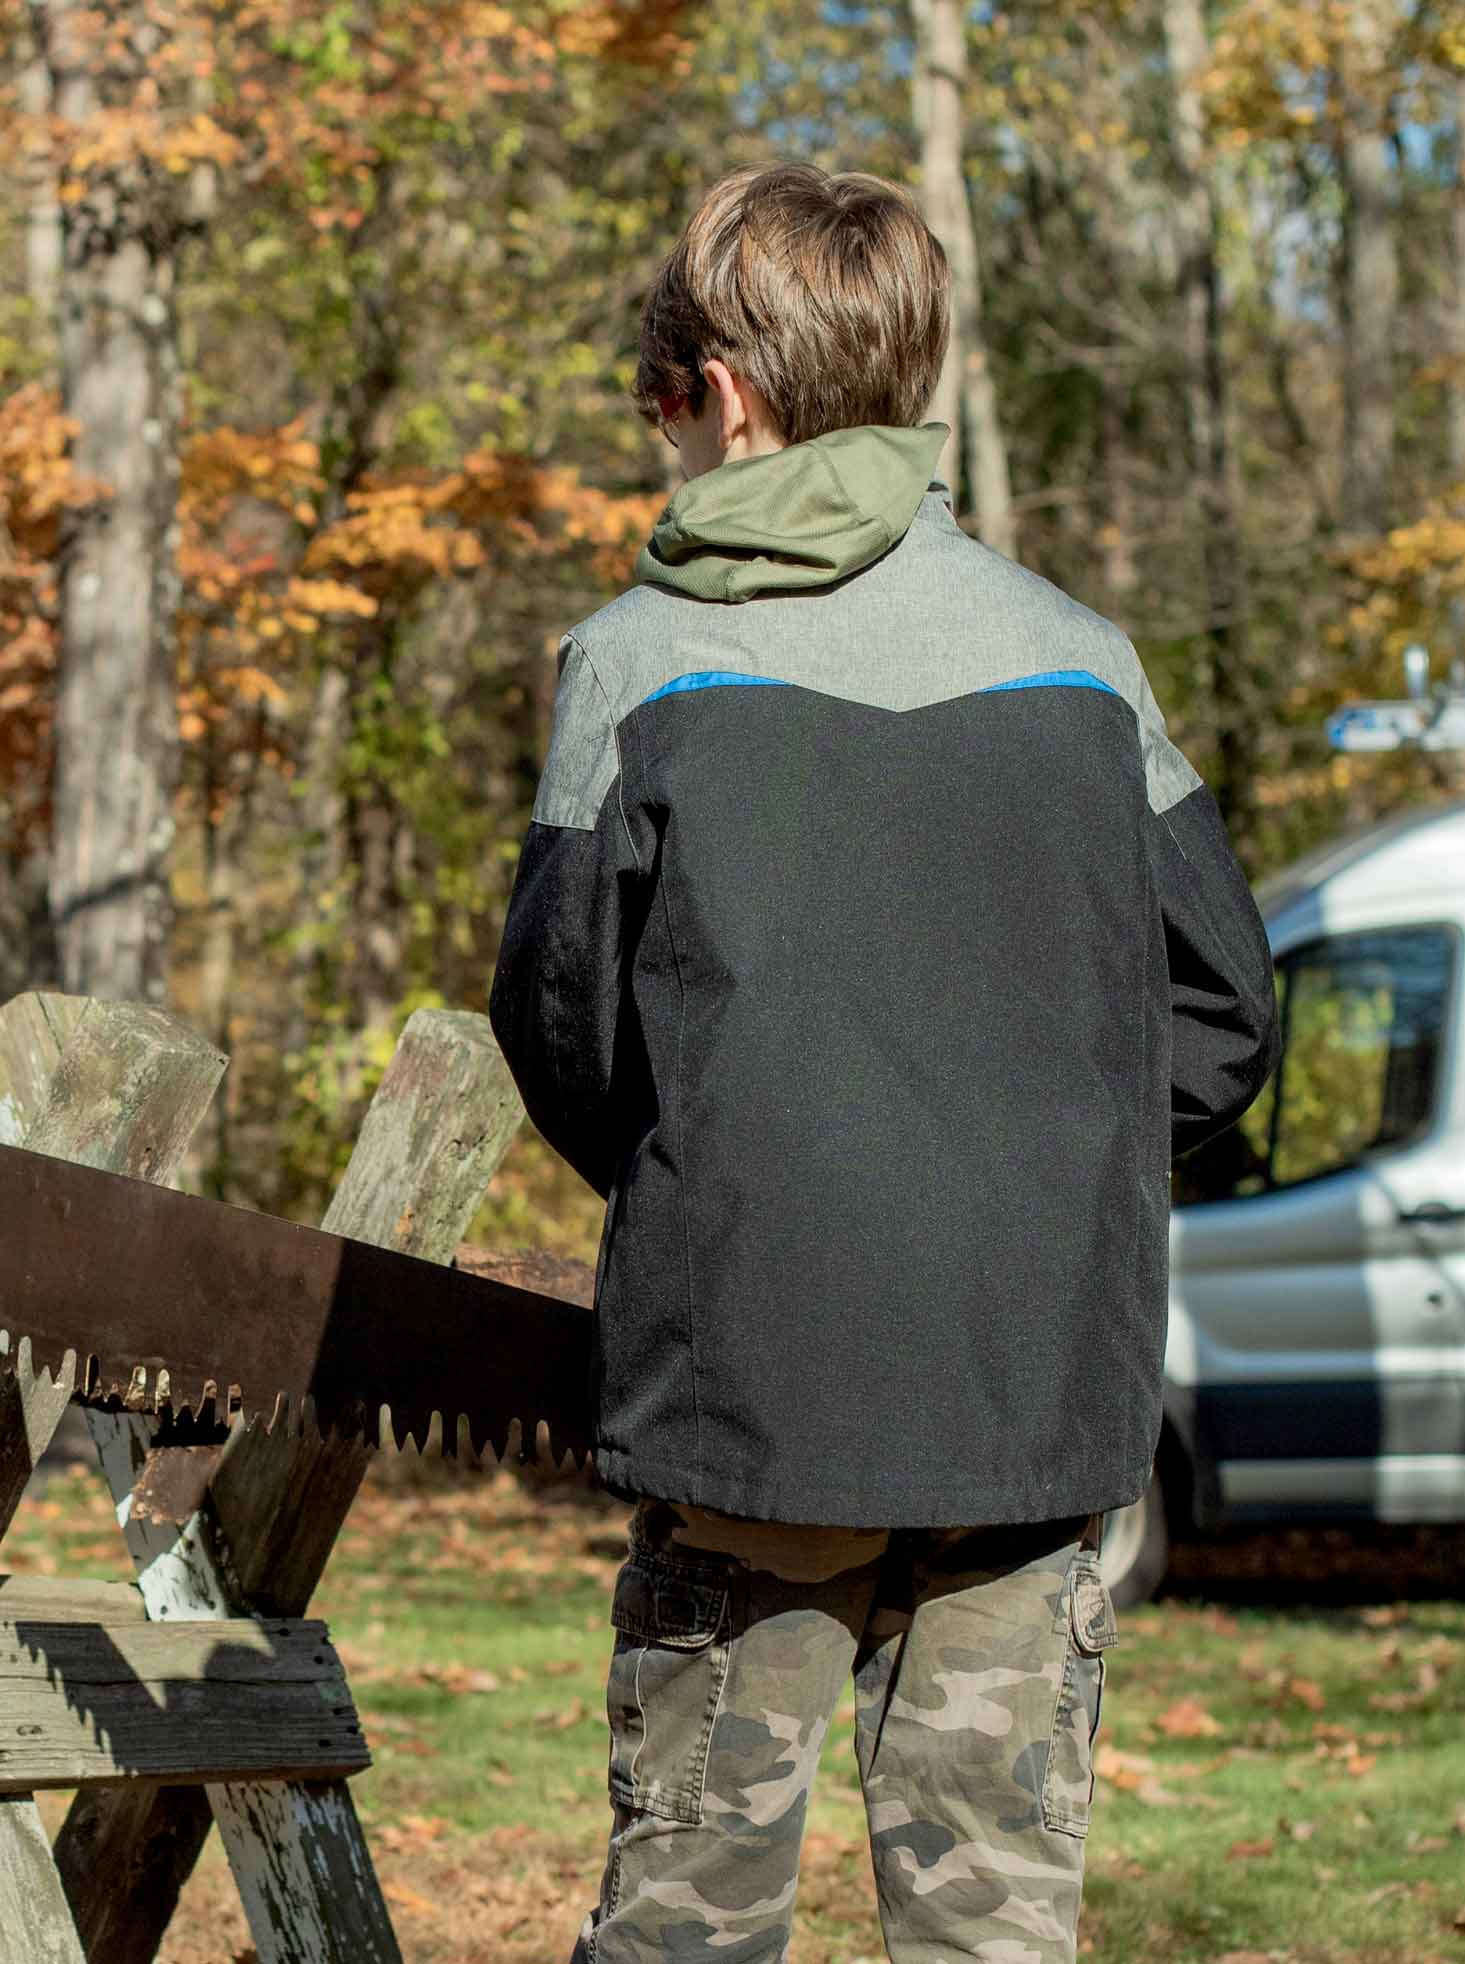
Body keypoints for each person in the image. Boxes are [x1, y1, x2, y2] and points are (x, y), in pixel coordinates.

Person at [489, 163, 1276, 1964]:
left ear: (729, 393)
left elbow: (562, 1036)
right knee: (992, 1937)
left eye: (657, 397)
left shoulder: (636, 663)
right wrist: (1032, 1155)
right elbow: (1224, 1016)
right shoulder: (1082, 665)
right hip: (1027, 1396)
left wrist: (738, 1164)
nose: (657, 437)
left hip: (751, 1403)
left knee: (688, 1922)